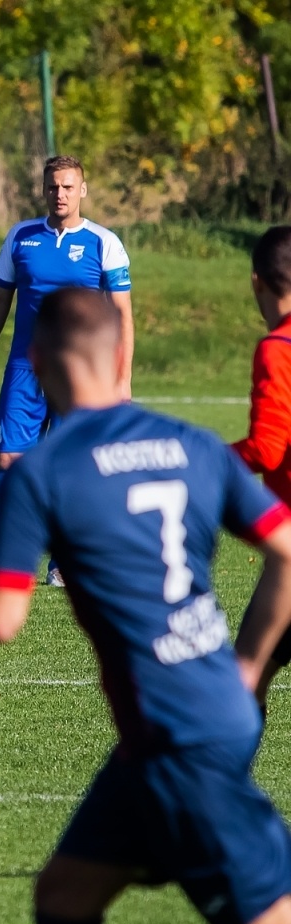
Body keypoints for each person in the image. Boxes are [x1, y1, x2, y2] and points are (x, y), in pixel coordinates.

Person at [0, 287, 291, 924]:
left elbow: (0, 623)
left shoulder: (43, 472)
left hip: (178, 741)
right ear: (123, 353)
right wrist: (248, 662)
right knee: (65, 898)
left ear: (38, 363)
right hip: (193, 717)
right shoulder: (194, 445)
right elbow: (287, 547)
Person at [0, 156, 135, 587]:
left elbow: (123, 317)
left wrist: (122, 378)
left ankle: (63, 565)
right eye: (52, 187)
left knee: (75, 464)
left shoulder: (104, 243)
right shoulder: (20, 237)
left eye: (67, 187)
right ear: (42, 190)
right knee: (7, 461)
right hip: (25, 369)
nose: (59, 194)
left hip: (81, 374)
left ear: (82, 190)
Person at [232, 225, 291, 710]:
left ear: (257, 282)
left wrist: (204, 461)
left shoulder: (278, 348)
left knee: (243, 679)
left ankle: (222, 787)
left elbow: (267, 448)